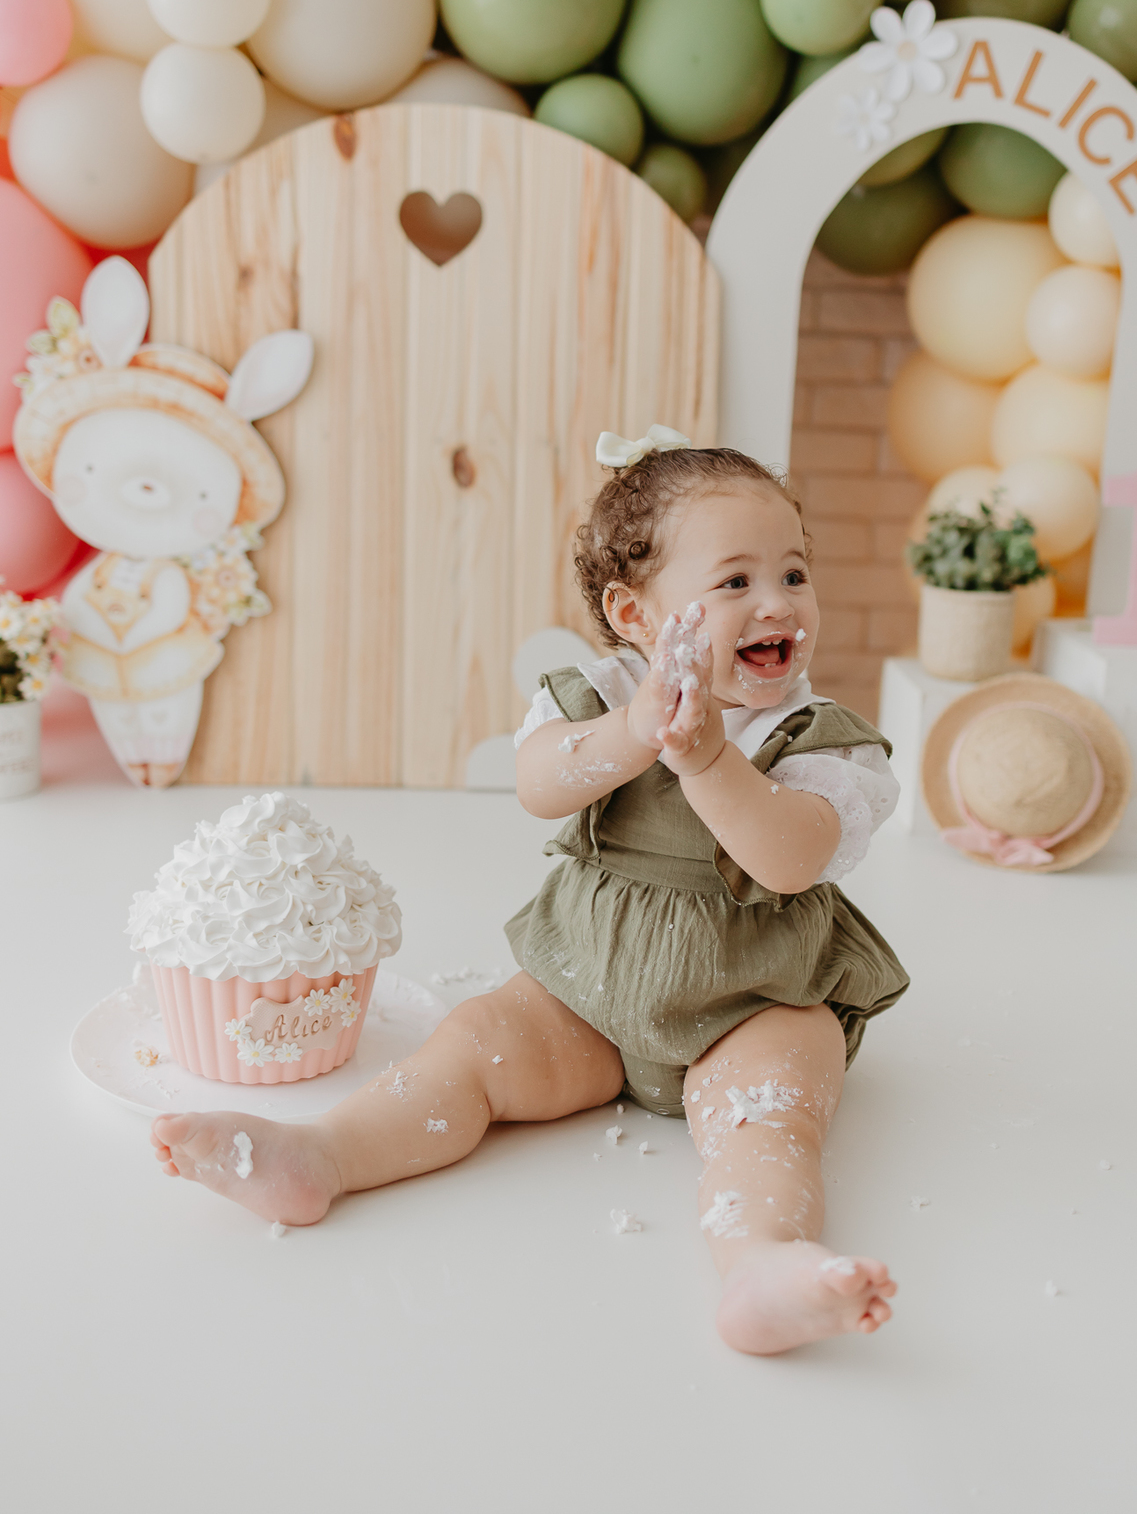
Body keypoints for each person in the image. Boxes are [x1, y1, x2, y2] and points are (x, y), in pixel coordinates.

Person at [149, 432, 909, 1354]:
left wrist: (707, 758)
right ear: (635, 614)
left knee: (768, 1117)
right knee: (471, 1045)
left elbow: (790, 858)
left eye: (793, 573)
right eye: (735, 581)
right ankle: (323, 1154)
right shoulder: (605, 694)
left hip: (758, 998)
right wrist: (638, 731)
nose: (777, 603)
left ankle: (762, 1261)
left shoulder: (820, 737)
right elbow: (543, 784)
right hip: (590, 991)